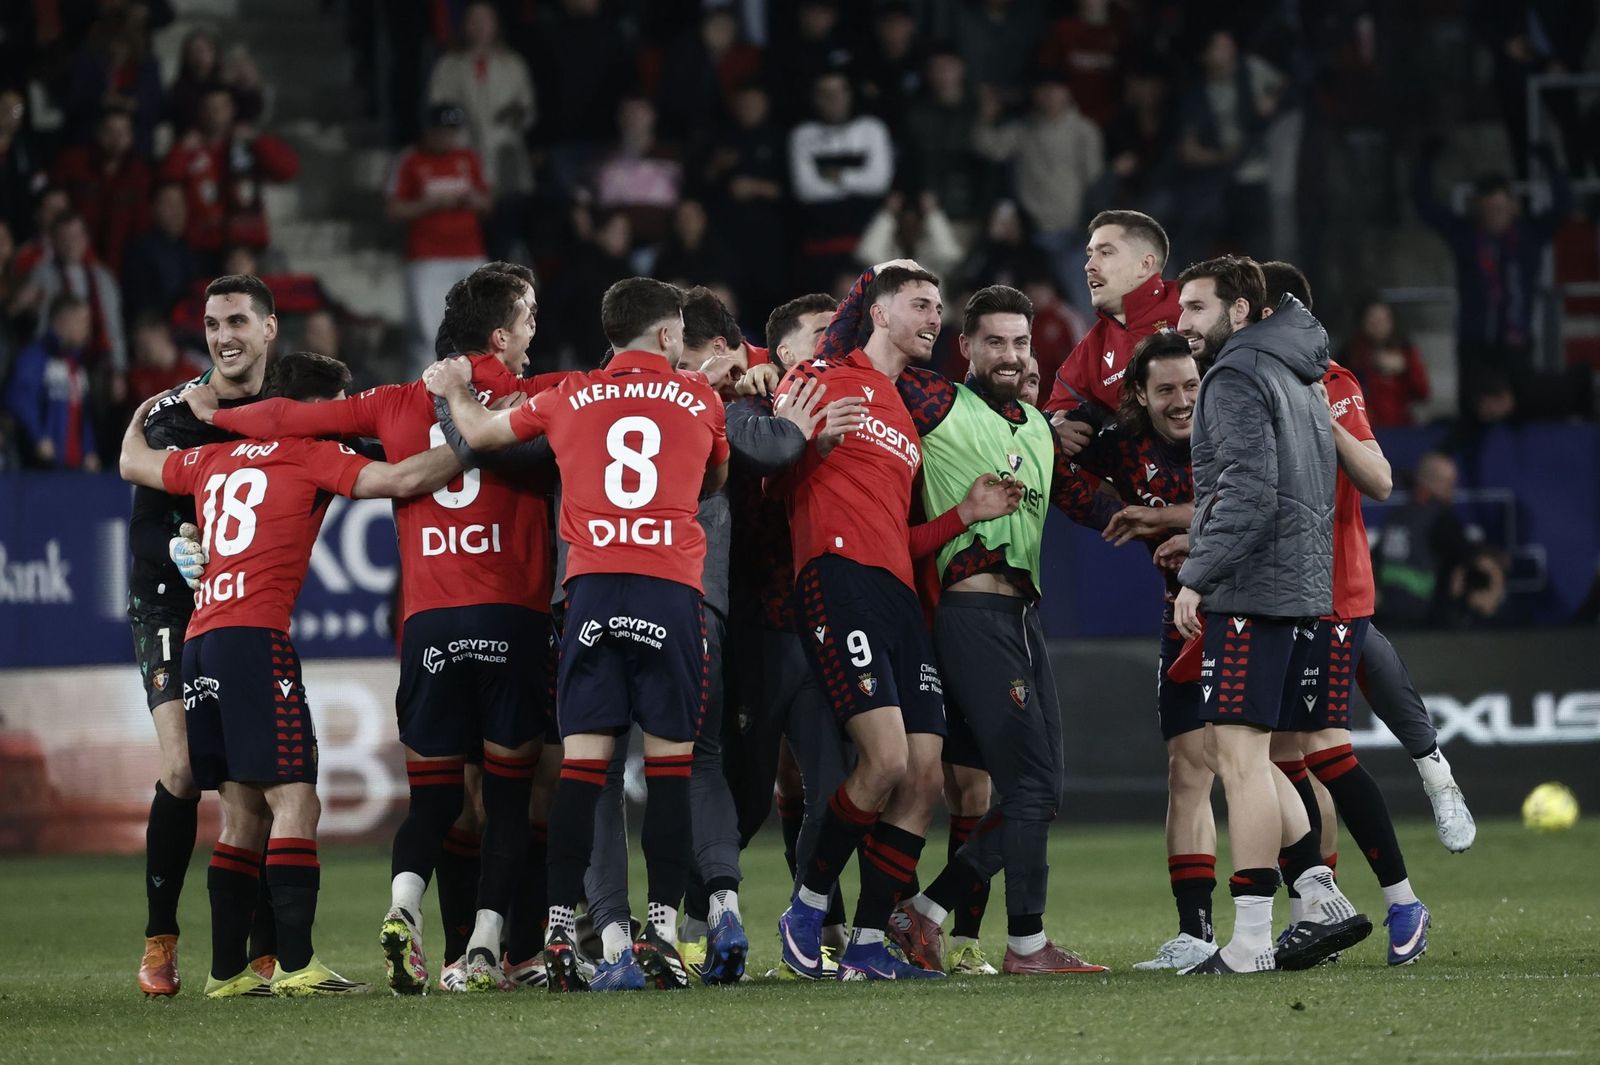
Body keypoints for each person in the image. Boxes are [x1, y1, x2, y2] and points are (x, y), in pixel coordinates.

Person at [195, 268, 552, 996]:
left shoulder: (392, 402)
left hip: (428, 625)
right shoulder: (538, 396)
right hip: (512, 614)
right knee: (509, 799)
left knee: (435, 800)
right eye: (528, 319)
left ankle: (404, 906)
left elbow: (287, 419)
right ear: (498, 334)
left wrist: (215, 414)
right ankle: (488, 951)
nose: (533, 332)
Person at [118, 353, 461, 998]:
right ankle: (298, 965)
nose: (345, 418)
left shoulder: (211, 459)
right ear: (308, 411)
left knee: (243, 811)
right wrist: (474, 443)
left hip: (201, 641)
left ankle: (227, 973)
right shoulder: (309, 453)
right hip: (254, 640)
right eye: (337, 407)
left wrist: (144, 413)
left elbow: (133, 461)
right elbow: (404, 476)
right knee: (297, 801)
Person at [427, 277, 726, 994]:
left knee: (583, 774)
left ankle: (560, 932)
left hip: (590, 594)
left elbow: (480, 436)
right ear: (666, 335)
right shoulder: (701, 398)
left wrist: (454, 388)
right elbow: (714, 481)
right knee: (670, 772)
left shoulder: (568, 396)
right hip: (668, 593)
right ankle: (660, 935)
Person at [806, 280, 1110, 977]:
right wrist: (871, 291)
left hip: (1023, 617)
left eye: (1020, 342)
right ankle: (1015, 942)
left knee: (1042, 791)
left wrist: (1175, 521)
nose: (1009, 354)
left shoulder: (1038, 429)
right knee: (1016, 786)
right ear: (965, 346)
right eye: (994, 342)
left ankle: (937, 912)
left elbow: (1095, 506)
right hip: (968, 613)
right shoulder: (935, 399)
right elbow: (858, 354)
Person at [771, 265, 1021, 982]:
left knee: (924, 776)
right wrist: (808, 446)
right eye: (920, 303)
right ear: (878, 313)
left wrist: (963, 514)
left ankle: (869, 942)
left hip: (898, 594)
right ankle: (806, 909)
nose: (935, 317)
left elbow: (897, 537)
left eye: (939, 307)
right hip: (836, 579)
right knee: (882, 761)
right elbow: (770, 481)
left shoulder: (903, 414)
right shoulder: (821, 376)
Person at [1171, 255, 1367, 974]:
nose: (1181, 322)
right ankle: (1316, 890)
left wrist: (1197, 576)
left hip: (1252, 589)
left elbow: (1248, 492)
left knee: (1241, 760)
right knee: (1240, 752)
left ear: (1241, 310)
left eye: (1196, 307)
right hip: (1298, 588)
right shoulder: (1300, 370)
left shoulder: (1236, 375)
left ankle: (1252, 939)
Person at [1254, 261, 1434, 967]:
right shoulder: (1241, 379)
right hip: (1275, 591)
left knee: (1321, 748)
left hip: (1330, 592)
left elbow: (1382, 480)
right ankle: (1318, 909)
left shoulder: (1331, 381)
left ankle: (1400, 901)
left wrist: (1318, 420)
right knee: (1281, 755)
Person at [124, 274, 275, 997]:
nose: (224, 337)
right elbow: (143, 531)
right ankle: (160, 942)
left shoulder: (286, 410)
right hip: (169, 604)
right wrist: (178, 551)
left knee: (256, 771)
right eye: (214, 324)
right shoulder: (172, 415)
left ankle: (267, 950)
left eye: (237, 321)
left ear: (268, 328)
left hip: (240, 604)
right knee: (184, 769)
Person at [1043, 210, 1181, 456]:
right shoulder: (1091, 349)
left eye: (1105, 253)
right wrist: (1055, 427)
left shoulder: (1192, 305)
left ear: (1145, 264)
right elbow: (1058, 410)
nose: (1089, 266)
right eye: (1090, 255)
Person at [972, 76, 1105, 296]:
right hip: (1032, 233)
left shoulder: (1084, 131)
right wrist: (985, 116)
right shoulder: (1023, 130)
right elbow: (989, 146)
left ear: (1067, 92)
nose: (1050, 96)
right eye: (1044, 90)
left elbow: (1095, 183)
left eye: (1056, 89)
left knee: (1080, 298)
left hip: (1073, 233)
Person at [388, 103, 491, 373]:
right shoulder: (411, 159)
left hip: (470, 254)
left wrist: (471, 199)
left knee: (481, 332)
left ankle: (479, 391)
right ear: (429, 131)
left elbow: (487, 202)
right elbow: (394, 209)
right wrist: (430, 204)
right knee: (429, 335)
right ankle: (425, 395)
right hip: (427, 258)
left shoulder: (468, 158)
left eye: (452, 131)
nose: (447, 137)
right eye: (442, 131)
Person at [159, 86, 299, 255]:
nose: (216, 113)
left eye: (222, 107)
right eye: (209, 108)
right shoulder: (189, 148)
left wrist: (257, 140)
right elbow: (164, 183)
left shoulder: (248, 146)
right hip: (203, 247)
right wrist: (182, 150)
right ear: (200, 112)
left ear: (232, 110)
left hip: (248, 244)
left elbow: (288, 171)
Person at [4, 294, 100, 471]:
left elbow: (82, 416)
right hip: (39, 470)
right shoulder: (36, 357)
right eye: (82, 322)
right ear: (64, 320)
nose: (87, 330)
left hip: (75, 468)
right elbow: (20, 398)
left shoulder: (77, 366)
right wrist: (39, 437)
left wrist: (89, 450)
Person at [51, 108, 151, 274]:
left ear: (131, 137)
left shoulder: (139, 174)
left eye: (123, 132)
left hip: (121, 265)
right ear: (98, 133)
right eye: (110, 131)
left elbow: (142, 226)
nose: (116, 139)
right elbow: (55, 207)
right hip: (72, 257)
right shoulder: (74, 163)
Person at [1341, 298, 1429, 427]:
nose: (1378, 325)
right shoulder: (1351, 353)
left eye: (1382, 320)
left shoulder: (1405, 350)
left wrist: (1406, 368)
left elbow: (1423, 392)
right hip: (1363, 427)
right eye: (1372, 320)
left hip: (1400, 426)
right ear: (1363, 322)